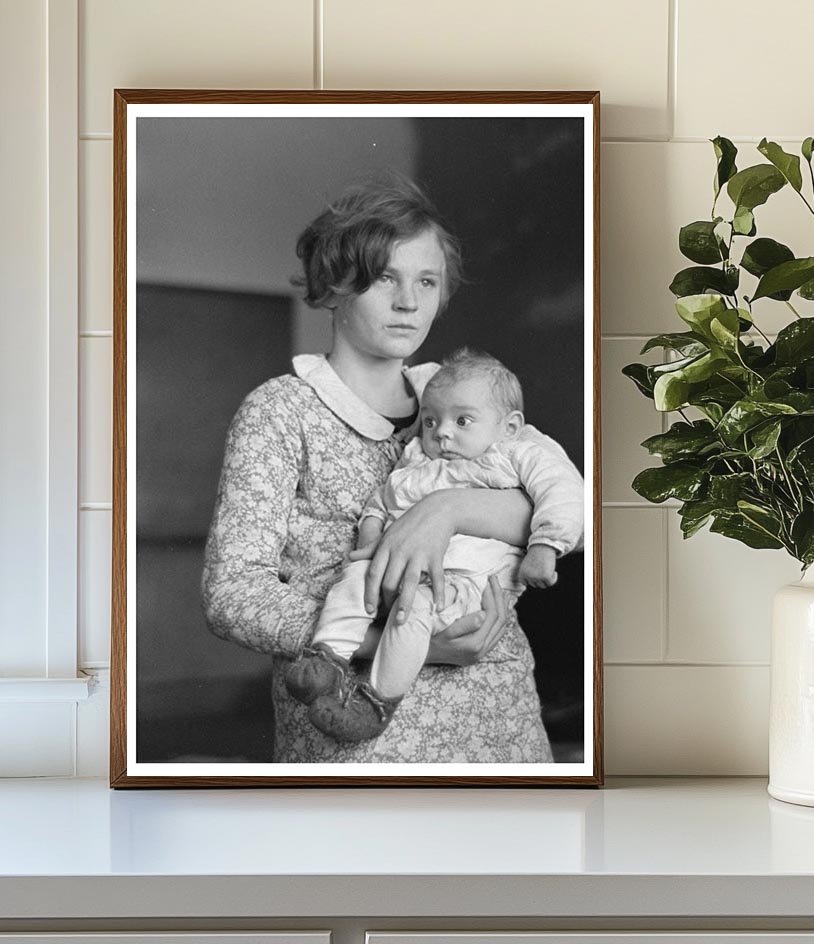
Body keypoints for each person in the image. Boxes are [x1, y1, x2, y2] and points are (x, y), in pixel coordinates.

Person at [202, 173, 554, 763]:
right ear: (334, 285)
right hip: (363, 740)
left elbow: (556, 503)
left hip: (503, 719)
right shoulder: (281, 411)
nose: (409, 302)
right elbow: (231, 593)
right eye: (385, 278)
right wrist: (397, 643)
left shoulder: (464, 397)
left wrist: (451, 508)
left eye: (426, 281)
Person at [285, 346, 585, 743]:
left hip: (461, 586)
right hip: (393, 569)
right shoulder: (419, 462)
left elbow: (565, 493)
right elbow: (384, 499)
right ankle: (327, 658)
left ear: (508, 426)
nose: (442, 431)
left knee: (414, 609)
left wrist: (545, 546)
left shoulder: (515, 455)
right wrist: (371, 535)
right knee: (355, 577)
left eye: (462, 420)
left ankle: (375, 702)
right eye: (430, 420)